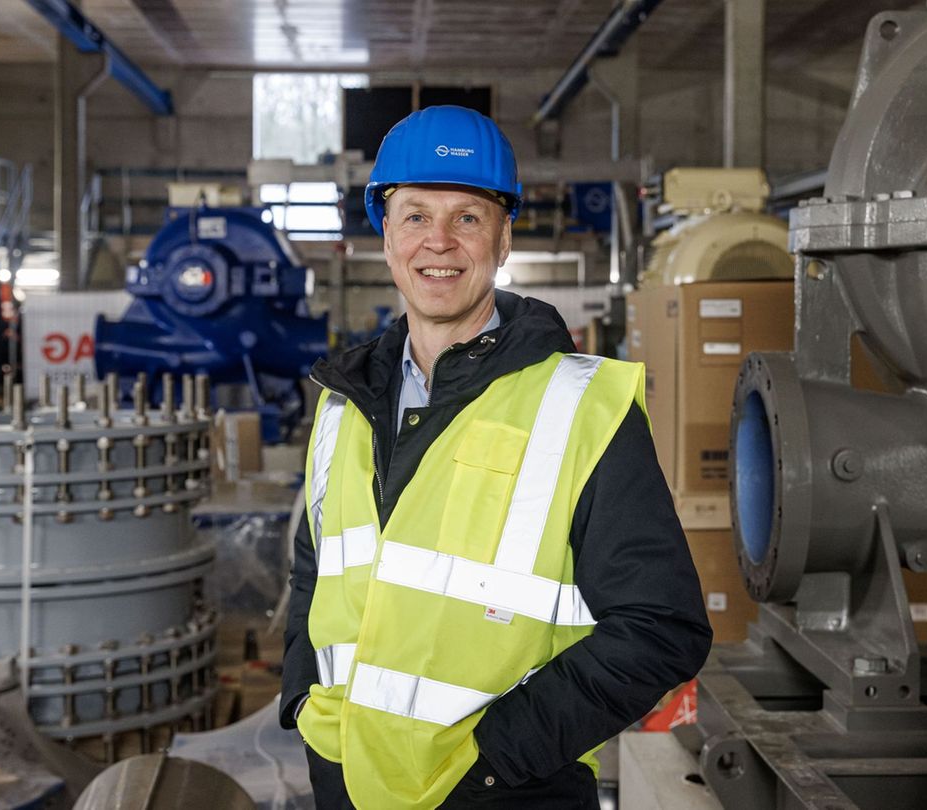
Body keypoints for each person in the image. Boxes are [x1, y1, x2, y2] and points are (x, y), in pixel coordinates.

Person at [280, 105, 712, 809]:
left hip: (502, 792)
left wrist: (498, 756)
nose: (438, 242)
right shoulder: (343, 405)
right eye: (415, 215)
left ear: (504, 237)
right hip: (344, 780)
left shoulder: (581, 405)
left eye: (468, 218)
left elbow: (662, 626)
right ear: (384, 232)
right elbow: (315, 571)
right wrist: (304, 703)